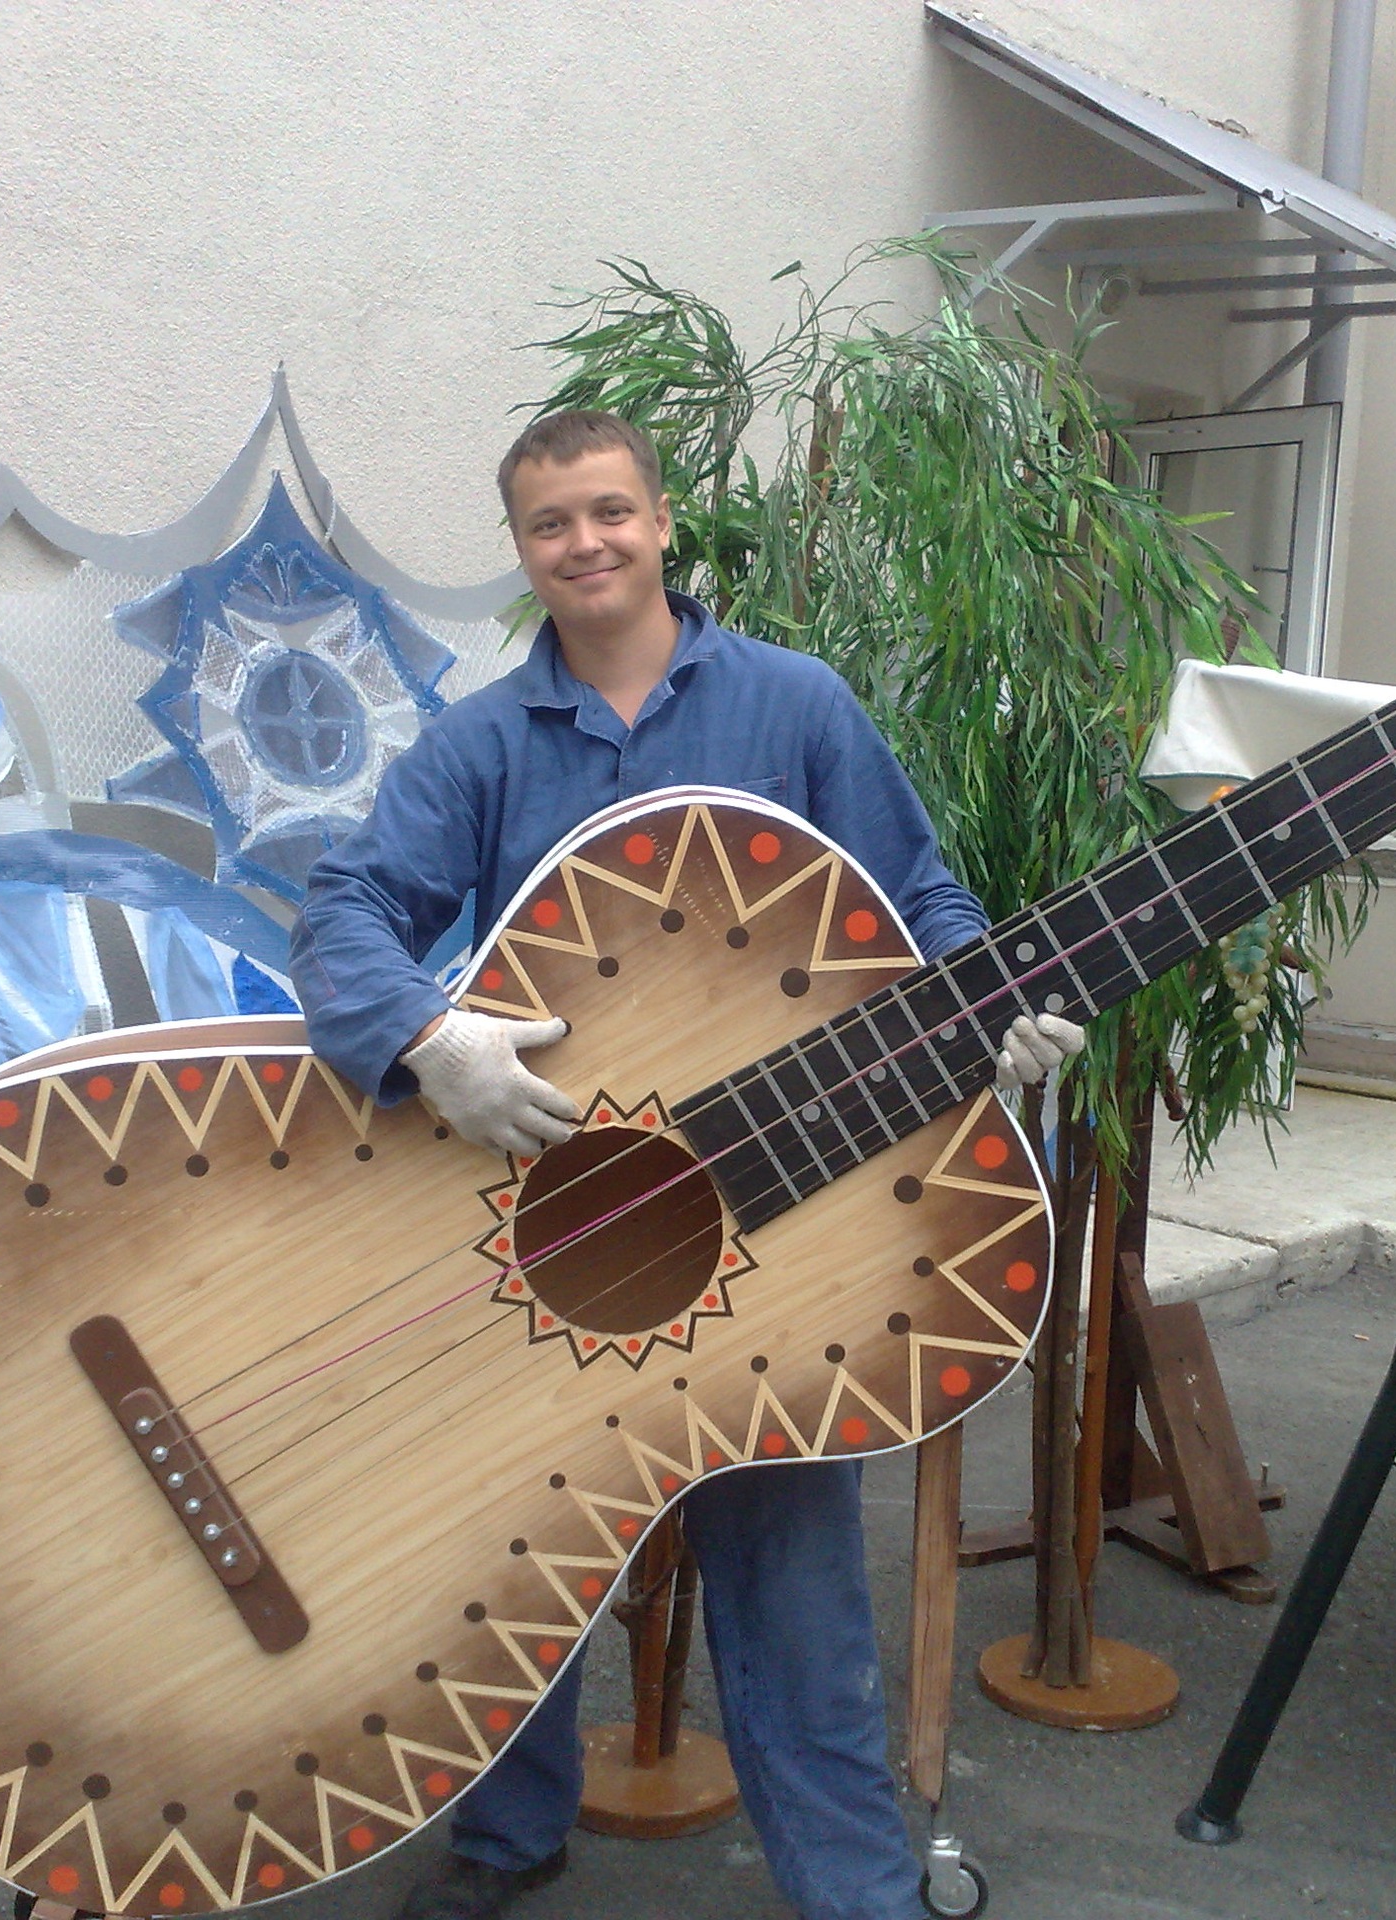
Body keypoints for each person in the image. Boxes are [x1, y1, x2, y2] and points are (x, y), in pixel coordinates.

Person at [291, 410, 1081, 1920]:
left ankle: (857, 1892)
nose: (584, 543)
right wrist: (427, 1038)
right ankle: (507, 1840)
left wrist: (985, 1010)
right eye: (550, 524)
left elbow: (922, 899)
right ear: (521, 551)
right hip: (539, 1215)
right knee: (504, 1551)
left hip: (776, 1217)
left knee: (794, 1580)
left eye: (609, 512)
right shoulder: (477, 744)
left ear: (661, 523)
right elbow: (344, 913)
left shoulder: (796, 705)